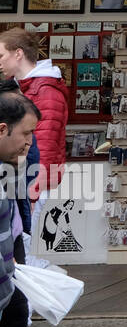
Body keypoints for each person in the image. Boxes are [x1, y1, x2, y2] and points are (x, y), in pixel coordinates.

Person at [0, 28, 70, 214]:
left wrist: (33, 192)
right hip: (14, 178)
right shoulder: (16, 87)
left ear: (18, 53)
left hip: (30, 183)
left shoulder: (46, 91)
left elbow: (45, 145)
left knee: (23, 239)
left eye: (1, 55)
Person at [0, 89, 39, 327]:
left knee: (17, 313)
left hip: (9, 267)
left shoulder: (11, 164)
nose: (30, 142)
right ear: (2, 129)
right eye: (26, 134)